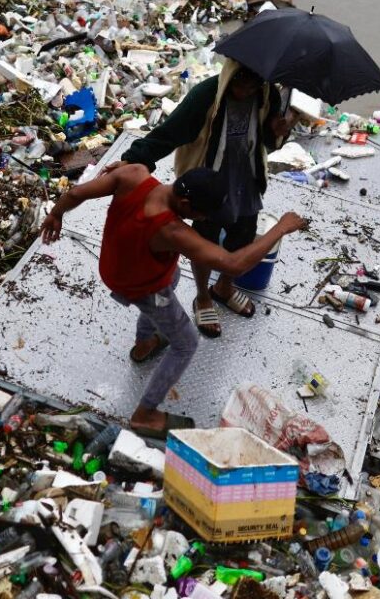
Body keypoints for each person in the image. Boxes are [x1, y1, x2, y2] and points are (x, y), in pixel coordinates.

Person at [41, 163, 307, 436]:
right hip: (140, 285)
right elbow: (233, 264)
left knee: (174, 275)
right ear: (185, 203)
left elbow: (75, 194)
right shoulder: (172, 231)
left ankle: (145, 341)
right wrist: (280, 229)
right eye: (202, 214)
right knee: (186, 342)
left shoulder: (133, 173)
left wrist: (56, 215)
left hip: (113, 264)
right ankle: (145, 413)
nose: (204, 220)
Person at [104, 59, 299, 338]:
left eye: (254, 82)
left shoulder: (268, 94)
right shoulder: (206, 95)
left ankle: (224, 288)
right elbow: (169, 133)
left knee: (243, 234)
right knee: (205, 239)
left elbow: (267, 142)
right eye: (241, 79)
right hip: (209, 180)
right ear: (231, 72)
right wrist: (134, 159)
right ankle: (202, 296)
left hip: (246, 177)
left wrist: (279, 131)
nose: (246, 88)